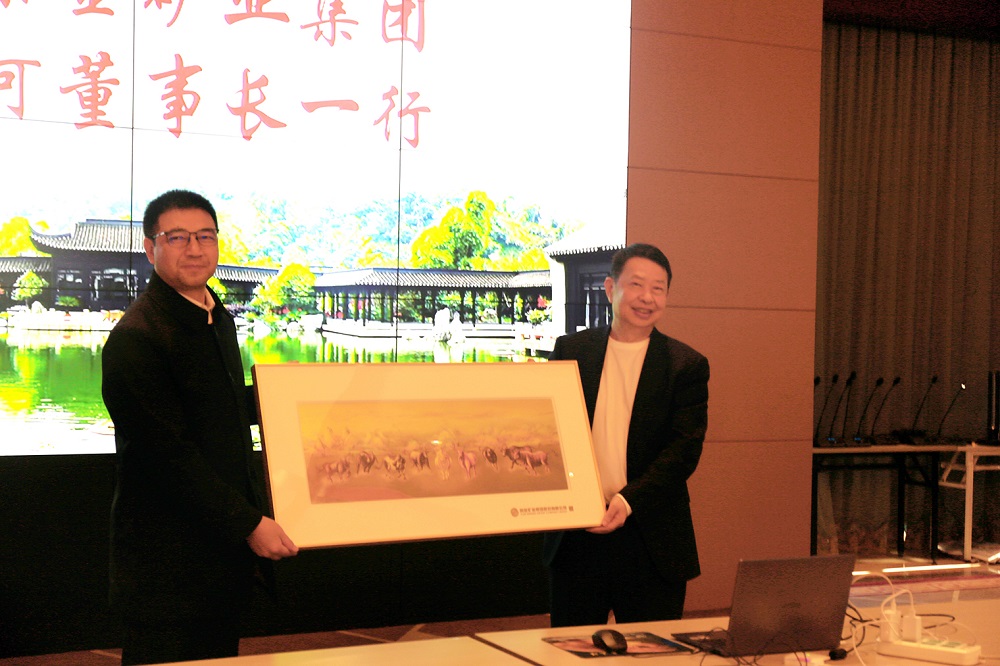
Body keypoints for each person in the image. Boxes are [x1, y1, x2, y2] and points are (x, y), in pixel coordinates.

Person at [102, 189, 299, 665]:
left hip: (221, 545)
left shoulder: (215, 316)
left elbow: (219, 408)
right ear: (150, 247)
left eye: (205, 236)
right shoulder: (137, 338)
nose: (194, 248)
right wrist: (249, 523)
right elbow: (167, 456)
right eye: (178, 237)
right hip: (167, 554)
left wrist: (294, 402)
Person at [543, 242, 710, 626]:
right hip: (577, 535)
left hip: (651, 536)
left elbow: (683, 451)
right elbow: (548, 432)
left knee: (653, 650)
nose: (647, 297)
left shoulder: (685, 365)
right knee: (570, 647)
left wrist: (627, 499)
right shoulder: (571, 351)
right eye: (636, 284)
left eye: (658, 288)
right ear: (610, 288)